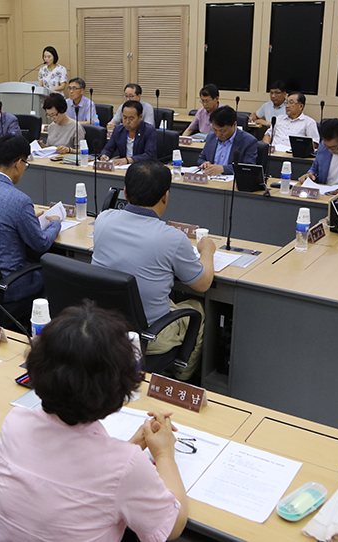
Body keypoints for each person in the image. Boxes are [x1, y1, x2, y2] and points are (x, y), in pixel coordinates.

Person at [0, 301, 188, 542]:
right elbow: (172, 527)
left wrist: (131, 446)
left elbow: (75, 472)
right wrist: (165, 454)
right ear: (118, 389)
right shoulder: (126, 466)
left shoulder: (15, 422)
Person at [92, 160, 214, 381]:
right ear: (165, 197)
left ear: (126, 193)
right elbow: (203, 283)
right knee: (197, 307)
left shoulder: (103, 220)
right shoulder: (172, 238)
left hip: (104, 327)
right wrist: (207, 251)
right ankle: (180, 377)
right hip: (149, 336)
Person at [0, 135, 60, 302]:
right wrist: (55, 223)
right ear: (18, 164)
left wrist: (28, 218)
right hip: (11, 283)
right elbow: (41, 244)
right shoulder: (19, 201)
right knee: (56, 274)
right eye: (25, 164)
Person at [197, 105, 258, 175]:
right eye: (215, 130)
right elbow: (201, 159)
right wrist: (204, 163)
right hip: (211, 180)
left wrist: (223, 169)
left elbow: (248, 167)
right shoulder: (211, 137)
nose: (218, 134)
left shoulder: (248, 141)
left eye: (223, 131)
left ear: (234, 125)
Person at [99, 101, 158, 166]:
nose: (127, 121)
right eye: (124, 117)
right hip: (123, 168)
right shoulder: (118, 130)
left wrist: (128, 160)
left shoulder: (148, 130)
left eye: (131, 118)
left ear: (140, 117)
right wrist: (104, 155)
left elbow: (150, 155)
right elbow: (108, 149)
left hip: (143, 167)